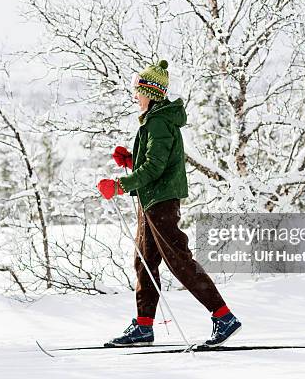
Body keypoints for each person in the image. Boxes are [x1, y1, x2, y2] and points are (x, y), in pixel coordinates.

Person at [97, 60, 241, 348]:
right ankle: (143, 326)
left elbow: (155, 168)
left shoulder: (160, 121)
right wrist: (130, 160)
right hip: (152, 200)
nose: (134, 96)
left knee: (178, 260)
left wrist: (120, 185)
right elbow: (153, 162)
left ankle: (223, 316)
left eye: (138, 90)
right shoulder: (154, 120)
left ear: (150, 92)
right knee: (145, 262)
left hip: (161, 200)